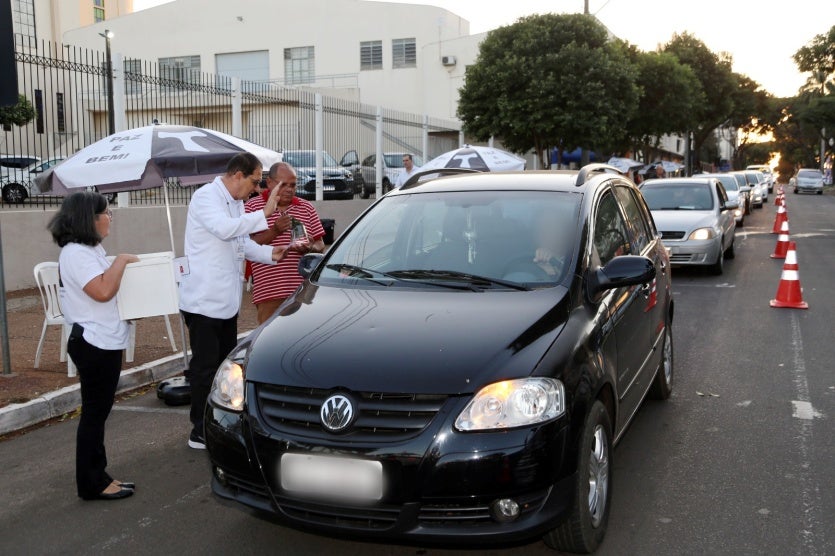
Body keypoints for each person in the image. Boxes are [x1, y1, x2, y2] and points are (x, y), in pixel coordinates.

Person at [178, 152, 288, 449]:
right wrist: (264, 212)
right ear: (238, 175)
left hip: (226, 302)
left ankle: (221, 422)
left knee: (225, 370)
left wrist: (272, 254)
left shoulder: (236, 202)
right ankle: (199, 429)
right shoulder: (206, 197)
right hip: (203, 301)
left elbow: (241, 245)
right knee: (204, 369)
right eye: (255, 181)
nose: (256, 189)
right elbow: (225, 229)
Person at [47, 191, 139, 500]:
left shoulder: (89, 249)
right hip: (93, 342)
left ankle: (99, 475)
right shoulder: (76, 254)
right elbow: (101, 291)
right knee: (94, 415)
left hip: (102, 340)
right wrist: (122, 260)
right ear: (90, 218)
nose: (110, 217)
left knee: (98, 414)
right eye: (106, 213)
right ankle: (91, 483)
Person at [246, 162, 325, 324]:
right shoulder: (252, 208)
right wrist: (274, 231)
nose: (289, 189)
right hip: (269, 293)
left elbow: (320, 245)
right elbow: (245, 246)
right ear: (269, 182)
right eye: (283, 184)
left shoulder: (306, 208)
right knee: (269, 337)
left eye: (293, 185)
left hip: (303, 293)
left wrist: (310, 247)